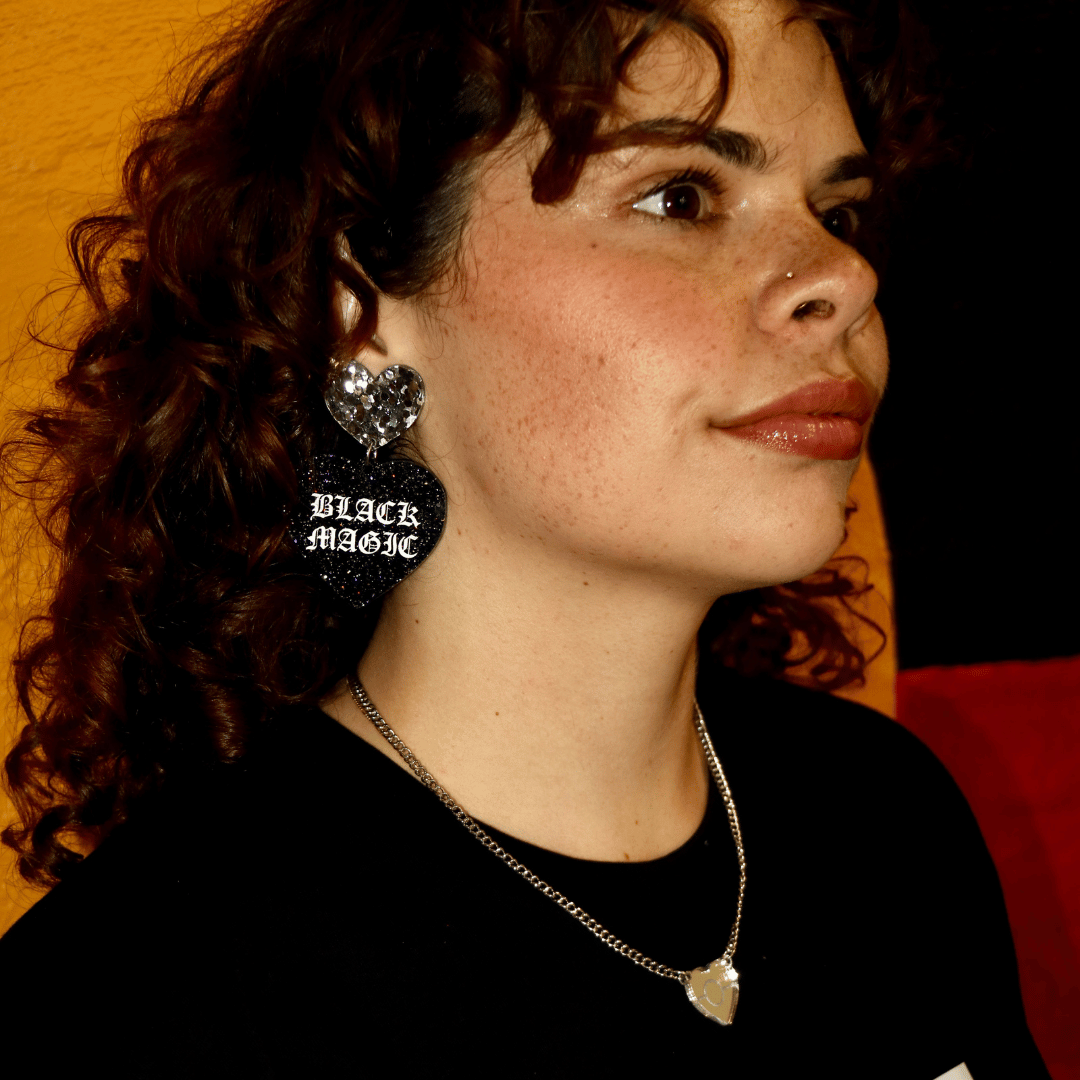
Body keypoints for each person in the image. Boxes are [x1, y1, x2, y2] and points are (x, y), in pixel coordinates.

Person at [0, 0, 1049, 1075]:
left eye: (839, 210)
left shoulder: (884, 824)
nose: (845, 275)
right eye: (681, 196)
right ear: (363, 315)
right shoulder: (141, 1004)